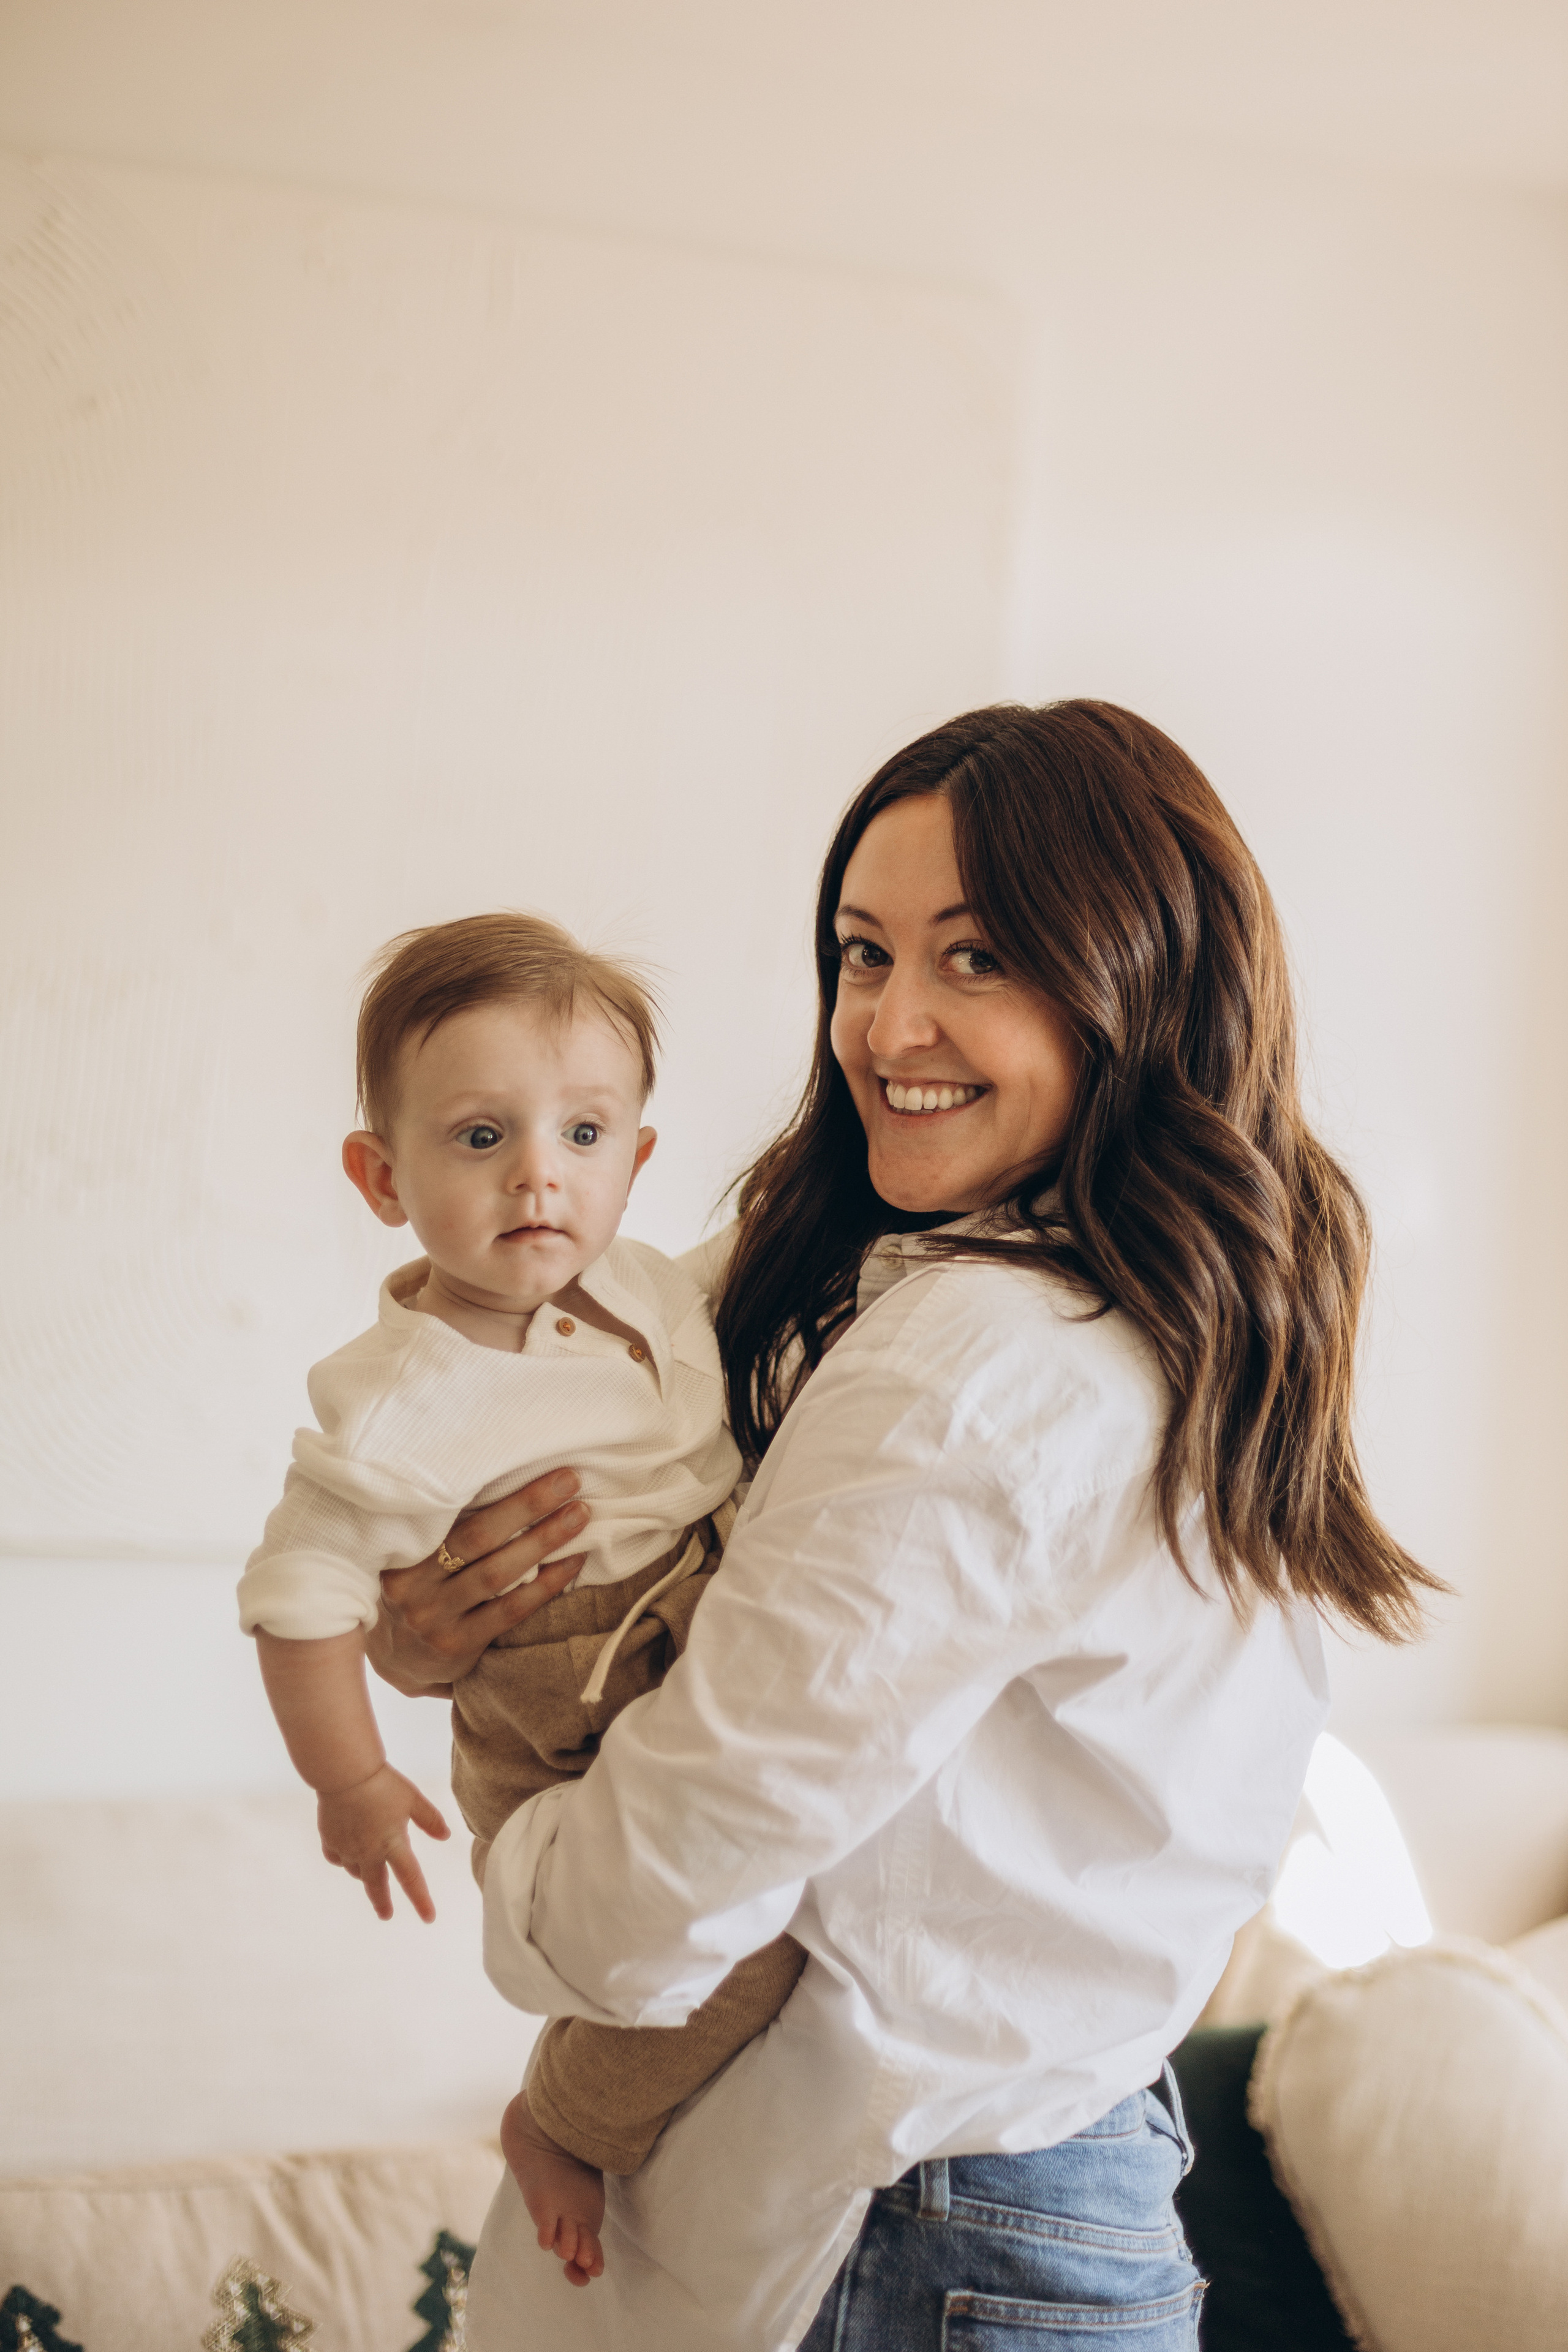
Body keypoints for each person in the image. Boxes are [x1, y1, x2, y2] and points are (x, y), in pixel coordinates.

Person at [367, 703, 1438, 2351]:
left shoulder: (985, 1364)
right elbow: (541, 1439)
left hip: (920, 2222)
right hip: (1010, 2187)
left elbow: (643, 1909)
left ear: (1138, 980)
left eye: (980, 956)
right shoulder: (1119, 1297)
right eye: (865, 955)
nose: (891, 1022)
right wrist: (435, 1626)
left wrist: (523, 1870)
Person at [237, 911, 806, 2284]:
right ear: (382, 1176)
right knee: (737, 1954)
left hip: (680, 1615)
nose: (539, 1178)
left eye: (584, 1136)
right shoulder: (397, 1398)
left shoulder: (647, 1286)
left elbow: (760, 1240)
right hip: (554, 1691)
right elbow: (299, 1593)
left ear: (636, 1160)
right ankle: (560, 2119)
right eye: (481, 1137)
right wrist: (350, 1780)